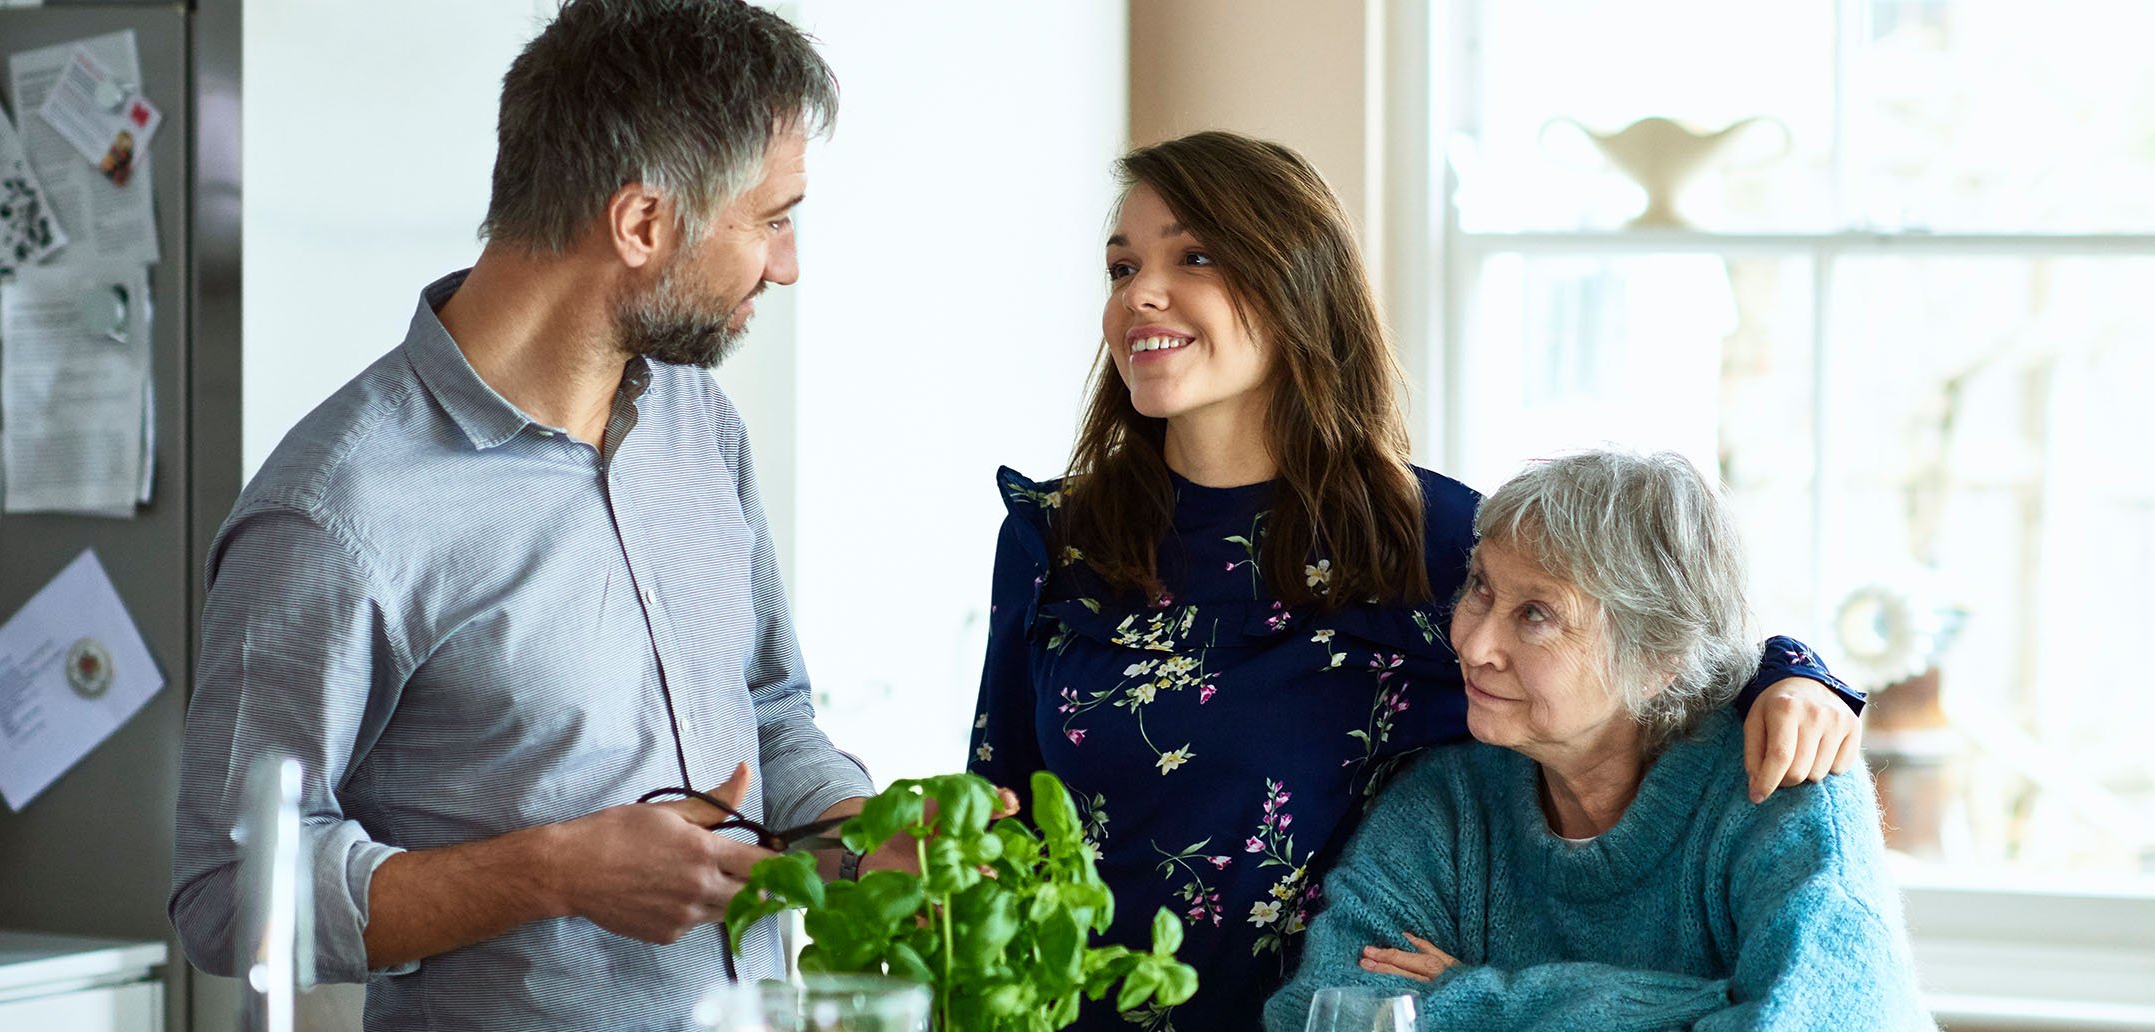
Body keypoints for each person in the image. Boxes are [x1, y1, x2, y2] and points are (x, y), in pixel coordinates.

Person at [967, 131, 1868, 1032]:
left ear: (1295, 287)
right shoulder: (1055, 537)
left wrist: (1796, 673)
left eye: (1193, 255)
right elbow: (997, 801)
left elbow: (1647, 641)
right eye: (1122, 267)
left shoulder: (1422, 537)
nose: (1140, 294)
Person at [169, 3, 892, 1028]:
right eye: (771, 218)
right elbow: (224, 894)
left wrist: (864, 828)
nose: (786, 263)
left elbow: (769, 711)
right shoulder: (335, 512)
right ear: (642, 224)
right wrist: (553, 873)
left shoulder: (697, 426)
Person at [1265, 450, 1930, 1030]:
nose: (1472, 642)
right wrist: (1695, 1006)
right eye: (1481, 589)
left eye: (1535, 615)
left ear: (1657, 659)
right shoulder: (1447, 806)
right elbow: (1325, 1015)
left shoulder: (1783, 786)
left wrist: (1470, 1000)